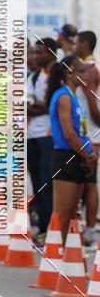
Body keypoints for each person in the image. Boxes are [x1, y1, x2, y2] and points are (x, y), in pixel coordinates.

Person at [46, 55, 97, 246]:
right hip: (65, 156)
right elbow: (68, 134)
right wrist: (87, 155)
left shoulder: (75, 97)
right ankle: (53, 258)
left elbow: (80, 133)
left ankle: (65, 257)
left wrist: (91, 152)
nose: (86, 74)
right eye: (81, 71)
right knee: (61, 215)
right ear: (69, 73)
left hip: (79, 157)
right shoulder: (64, 96)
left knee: (72, 213)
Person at [26, 38, 57, 239]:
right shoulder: (35, 76)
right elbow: (24, 104)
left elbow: (53, 105)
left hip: (49, 137)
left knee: (48, 182)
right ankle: (43, 227)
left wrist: (39, 105)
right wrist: (40, 105)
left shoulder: (59, 75)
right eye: (33, 52)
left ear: (51, 53)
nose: (35, 56)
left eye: (39, 52)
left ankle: (50, 229)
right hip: (31, 136)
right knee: (37, 183)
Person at [73, 30, 100, 245]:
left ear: (85, 44)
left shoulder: (91, 69)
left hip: (90, 135)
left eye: (76, 43)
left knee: (88, 184)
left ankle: (89, 230)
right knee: (84, 183)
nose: (73, 46)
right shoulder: (87, 68)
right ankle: (85, 228)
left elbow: (92, 106)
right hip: (86, 133)